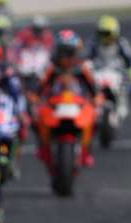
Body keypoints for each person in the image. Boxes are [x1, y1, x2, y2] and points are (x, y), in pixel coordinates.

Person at [37, 29, 98, 168]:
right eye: (63, 52)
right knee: (37, 118)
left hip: (78, 104)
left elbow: (93, 88)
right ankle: (44, 149)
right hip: (54, 104)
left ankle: (85, 151)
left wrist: (96, 99)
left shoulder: (83, 68)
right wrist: (36, 98)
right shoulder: (50, 69)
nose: (66, 57)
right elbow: (39, 88)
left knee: (94, 118)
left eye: (69, 52)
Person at [87, 15, 131, 90]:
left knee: (124, 88)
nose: (105, 37)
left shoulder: (122, 43)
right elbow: (86, 60)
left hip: (117, 74)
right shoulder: (93, 43)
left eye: (107, 34)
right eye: (102, 34)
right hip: (98, 74)